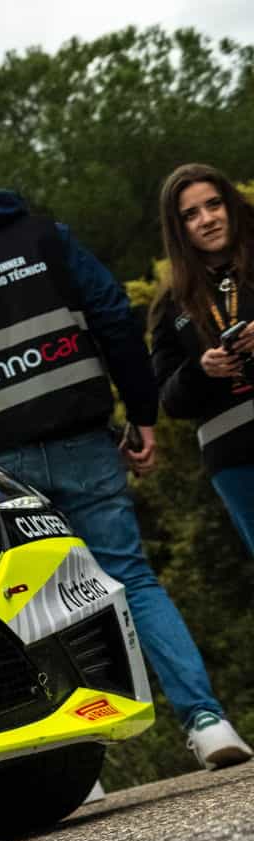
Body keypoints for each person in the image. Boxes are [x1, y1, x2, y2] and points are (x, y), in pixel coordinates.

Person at [0, 167, 252, 770]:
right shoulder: (44, 235)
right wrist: (142, 417)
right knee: (131, 577)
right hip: (84, 441)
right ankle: (209, 723)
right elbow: (113, 318)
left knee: (32, 604)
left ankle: (75, 768)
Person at [149, 162, 254, 554]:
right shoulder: (170, 304)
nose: (207, 220)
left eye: (214, 205)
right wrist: (201, 370)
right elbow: (169, 400)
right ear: (178, 229)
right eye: (190, 215)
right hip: (234, 460)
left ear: (230, 204)